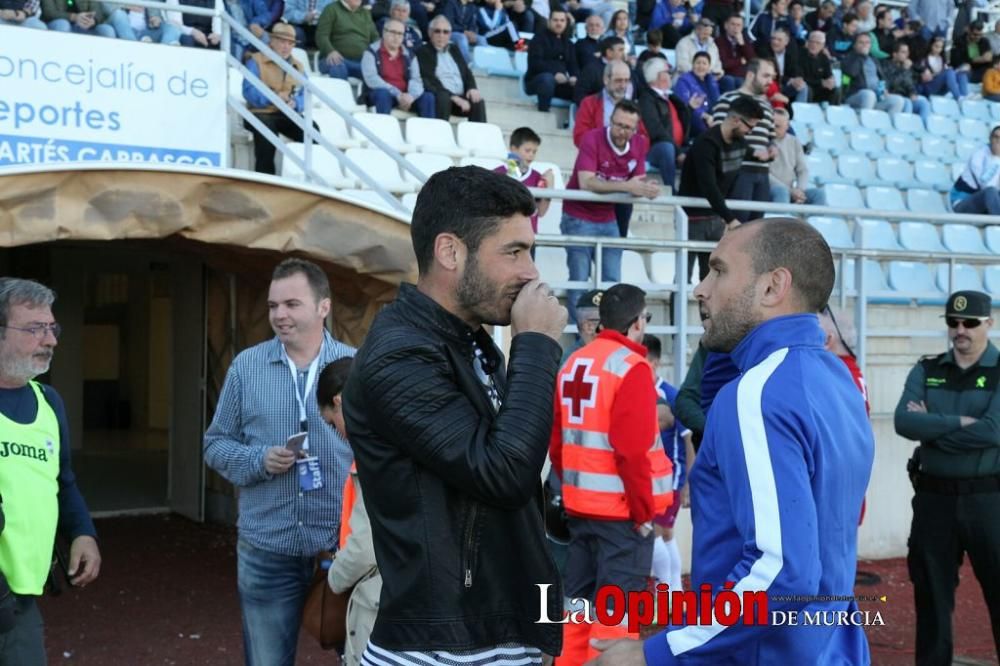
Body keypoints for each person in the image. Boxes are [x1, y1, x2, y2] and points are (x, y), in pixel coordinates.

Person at [593, 218, 874, 665]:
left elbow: (780, 570)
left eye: (718, 270)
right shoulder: (837, 377)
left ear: (772, 287)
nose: (700, 289)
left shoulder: (756, 393)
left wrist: (656, 653)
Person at [343, 166, 567, 664]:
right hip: (442, 646)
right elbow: (505, 474)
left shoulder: (469, 343)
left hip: (490, 631)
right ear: (450, 252)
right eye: (513, 251)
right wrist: (534, 345)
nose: (530, 271)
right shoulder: (398, 356)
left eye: (530, 251)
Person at [203, 258, 355, 666]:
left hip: (342, 546)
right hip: (268, 546)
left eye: (291, 304)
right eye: (273, 306)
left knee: (358, 658)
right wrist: (259, 459)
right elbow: (214, 444)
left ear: (324, 307)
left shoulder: (356, 368)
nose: (279, 315)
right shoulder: (246, 368)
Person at [551, 283, 674, 666]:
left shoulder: (574, 363)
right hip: (622, 517)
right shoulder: (631, 368)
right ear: (638, 323)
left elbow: (557, 444)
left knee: (578, 612)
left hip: (580, 510)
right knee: (616, 624)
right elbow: (633, 451)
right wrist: (641, 515)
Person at [894, 290, 1000, 666]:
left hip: (989, 501)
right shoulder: (927, 368)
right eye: (953, 322)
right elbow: (904, 422)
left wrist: (933, 429)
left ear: (989, 323)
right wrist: (960, 424)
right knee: (932, 601)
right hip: (933, 501)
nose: (960, 330)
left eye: (970, 322)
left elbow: (993, 431)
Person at [0, 278, 101, 666]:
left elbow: (63, 481)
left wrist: (82, 532)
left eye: (52, 328)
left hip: (19, 602)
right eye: (34, 329)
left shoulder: (49, 402)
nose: (51, 340)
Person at [562, 100, 659, 323]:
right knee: (579, 280)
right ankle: (580, 338)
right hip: (578, 216)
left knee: (613, 283)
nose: (622, 131)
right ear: (610, 121)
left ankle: (611, 335)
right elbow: (586, 182)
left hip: (608, 217)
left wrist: (646, 188)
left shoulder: (639, 143)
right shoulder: (592, 138)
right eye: (618, 125)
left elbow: (637, 182)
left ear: (635, 129)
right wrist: (629, 186)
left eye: (628, 128)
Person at [316, 357, 381, 666]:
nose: (337, 433)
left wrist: (335, 580)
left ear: (340, 401)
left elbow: (367, 544)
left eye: (331, 422)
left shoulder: (377, 451)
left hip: (376, 597)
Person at [678, 94, 762, 281]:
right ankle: (677, 311)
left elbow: (751, 154)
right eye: (749, 126)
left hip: (716, 218)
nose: (751, 131)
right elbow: (708, 186)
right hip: (692, 219)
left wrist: (766, 155)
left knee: (712, 280)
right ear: (734, 119)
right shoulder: (706, 143)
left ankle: (706, 312)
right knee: (684, 275)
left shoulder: (740, 143)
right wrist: (730, 219)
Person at [643, 334, 694, 595]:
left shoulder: (671, 395)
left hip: (670, 478)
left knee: (657, 532)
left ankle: (668, 592)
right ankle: (673, 592)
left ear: (655, 363)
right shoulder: (638, 390)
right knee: (664, 534)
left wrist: (687, 483)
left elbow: (689, 441)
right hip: (650, 478)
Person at [710, 58, 778, 221]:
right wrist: (752, 152)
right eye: (766, 76)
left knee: (756, 228)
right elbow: (719, 135)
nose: (770, 81)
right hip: (738, 171)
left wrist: (773, 148)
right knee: (736, 226)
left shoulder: (767, 106)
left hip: (762, 173)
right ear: (750, 75)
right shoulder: (727, 99)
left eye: (772, 77)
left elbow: (771, 137)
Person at [242, 23, 312, 176]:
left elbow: (305, 94)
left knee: (312, 130)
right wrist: (273, 98)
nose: (286, 46)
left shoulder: (298, 66)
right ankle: (266, 179)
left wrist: (296, 104)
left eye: (290, 43)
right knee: (267, 132)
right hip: (259, 112)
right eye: (282, 41)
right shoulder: (255, 61)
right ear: (271, 41)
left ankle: (301, 176)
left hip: (285, 113)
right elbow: (249, 92)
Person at [416, 15, 487, 121]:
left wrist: (472, 87)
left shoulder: (454, 49)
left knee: (477, 101)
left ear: (450, 34)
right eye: (437, 31)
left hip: (460, 97)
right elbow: (429, 80)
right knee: (443, 97)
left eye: (445, 32)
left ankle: (478, 136)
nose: (441, 35)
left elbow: (466, 72)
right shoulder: (423, 51)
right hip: (442, 98)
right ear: (430, 33)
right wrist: (453, 97)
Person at [360, 18, 436, 117]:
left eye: (400, 34)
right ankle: (382, 130)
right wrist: (397, 94)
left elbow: (416, 79)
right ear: (384, 32)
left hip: (405, 96)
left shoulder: (410, 55)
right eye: (393, 32)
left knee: (428, 97)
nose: (396, 37)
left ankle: (428, 131)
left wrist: (411, 96)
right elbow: (372, 79)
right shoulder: (371, 52)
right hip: (380, 94)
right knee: (383, 94)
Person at [638, 57, 691, 191]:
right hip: (655, 149)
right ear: (657, 76)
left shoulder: (671, 97)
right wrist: (678, 152)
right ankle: (671, 190)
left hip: (678, 147)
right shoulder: (647, 99)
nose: (670, 75)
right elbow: (656, 130)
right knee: (666, 147)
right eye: (667, 72)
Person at [494, 127, 553, 238]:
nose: (531, 155)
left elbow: (541, 212)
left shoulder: (537, 177)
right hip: (501, 237)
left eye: (534, 152)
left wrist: (550, 187)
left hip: (527, 238)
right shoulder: (497, 174)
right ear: (513, 149)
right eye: (527, 150)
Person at [768, 108, 826, 206]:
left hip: (791, 191)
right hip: (770, 189)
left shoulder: (794, 141)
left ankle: (813, 221)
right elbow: (765, 174)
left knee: (819, 194)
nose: (773, 128)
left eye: (778, 126)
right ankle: (782, 221)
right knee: (781, 191)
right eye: (771, 124)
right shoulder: (763, 141)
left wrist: (800, 190)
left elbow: (802, 170)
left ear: (787, 126)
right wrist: (790, 191)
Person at [524, 9, 578, 112]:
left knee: (582, 87)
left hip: (560, 84)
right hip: (537, 81)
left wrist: (574, 77)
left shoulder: (569, 43)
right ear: (549, 21)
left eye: (562, 21)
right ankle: (544, 114)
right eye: (555, 20)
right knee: (547, 79)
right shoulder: (538, 39)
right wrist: (554, 74)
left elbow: (573, 65)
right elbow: (535, 63)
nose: (559, 23)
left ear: (566, 23)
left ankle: (574, 123)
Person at [842, 32, 906, 112]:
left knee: (898, 100)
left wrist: (883, 89)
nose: (864, 45)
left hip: (876, 96)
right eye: (861, 42)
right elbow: (851, 73)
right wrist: (861, 56)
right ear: (854, 45)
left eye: (867, 42)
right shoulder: (849, 58)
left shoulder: (874, 59)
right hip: (855, 95)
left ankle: (888, 123)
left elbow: (881, 78)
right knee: (869, 94)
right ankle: (865, 122)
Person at [316, 0, 379, 79]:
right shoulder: (331, 9)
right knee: (337, 66)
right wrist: (330, 51)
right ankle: (340, 91)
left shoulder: (365, 13)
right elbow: (321, 35)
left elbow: (375, 38)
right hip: (335, 59)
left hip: (360, 61)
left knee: (377, 71)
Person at [950, 124, 1000, 216]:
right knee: (991, 191)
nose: (998, 141)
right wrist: (996, 158)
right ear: (990, 139)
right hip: (963, 203)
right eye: (995, 137)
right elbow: (987, 186)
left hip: (987, 204)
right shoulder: (978, 157)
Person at [674, 51, 720, 137]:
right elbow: (684, 104)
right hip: (692, 117)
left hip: (711, 117)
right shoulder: (683, 80)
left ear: (709, 67)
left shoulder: (712, 81)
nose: (701, 66)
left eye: (704, 63)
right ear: (693, 64)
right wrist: (705, 116)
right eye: (698, 63)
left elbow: (717, 102)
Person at [574, 36, 627, 104]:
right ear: (609, 53)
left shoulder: (626, 69)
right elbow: (579, 95)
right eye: (620, 50)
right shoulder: (591, 69)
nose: (624, 54)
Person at [918, 35, 971, 100]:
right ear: (931, 45)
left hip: (941, 87)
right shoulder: (924, 59)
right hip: (930, 87)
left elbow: (947, 74)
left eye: (941, 47)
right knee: (949, 72)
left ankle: (964, 96)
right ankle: (958, 97)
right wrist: (939, 73)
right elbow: (925, 78)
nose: (938, 50)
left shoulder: (942, 59)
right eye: (936, 46)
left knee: (961, 74)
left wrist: (958, 70)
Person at [716, 13, 757, 92]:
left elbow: (753, 61)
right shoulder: (719, 41)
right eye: (733, 24)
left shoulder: (745, 41)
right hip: (725, 75)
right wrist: (740, 61)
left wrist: (742, 44)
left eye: (738, 25)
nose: (735, 28)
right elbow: (724, 63)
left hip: (741, 75)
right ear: (726, 26)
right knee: (730, 81)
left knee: (744, 81)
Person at [41, 0, 121, 36]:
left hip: (85, 25)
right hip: (56, 23)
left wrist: (93, 21)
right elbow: (48, 12)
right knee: (63, 24)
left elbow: (98, 11)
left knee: (107, 30)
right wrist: (74, 17)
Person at [801, 30, 838, 103]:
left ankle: (830, 112)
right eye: (811, 41)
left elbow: (828, 76)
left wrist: (830, 82)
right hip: (807, 87)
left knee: (834, 89)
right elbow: (800, 79)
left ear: (822, 46)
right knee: (806, 89)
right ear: (807, 42)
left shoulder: (824, 58)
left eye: (818, 43)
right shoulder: (800, 56)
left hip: (820, 89)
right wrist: (821, 83)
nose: (814, 45)